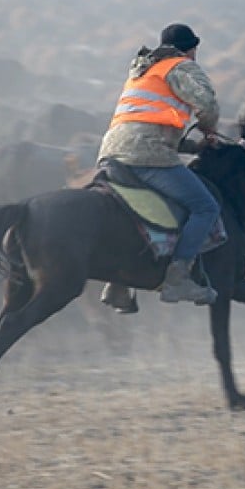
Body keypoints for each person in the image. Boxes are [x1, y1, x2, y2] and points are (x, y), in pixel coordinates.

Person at [96, 23, 221, 305]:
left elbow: (149, 124)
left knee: (134, 211)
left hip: (111, 153)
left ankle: (116, 284)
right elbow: (208, 104)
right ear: (191, 49)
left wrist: (192, 146)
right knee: (205, 206)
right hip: (147, 156)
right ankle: (178, 279)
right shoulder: (181, 66)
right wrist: (209, 130)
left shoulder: (142, 72)